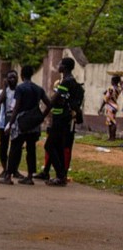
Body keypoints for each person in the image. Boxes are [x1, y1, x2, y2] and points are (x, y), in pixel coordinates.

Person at [40, 57, 84, 186]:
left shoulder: (66, 82)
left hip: (62, 119)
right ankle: (61, 175)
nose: (58, 65)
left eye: (59, 64)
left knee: (48, 145)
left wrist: (42, 115)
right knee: (58, 147)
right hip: (63, 118)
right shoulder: (71, 81)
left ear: (64, 67)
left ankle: (60, 176)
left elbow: (54, 100)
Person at [2, 65, 50, 185]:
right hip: (33, 123)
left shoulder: (20, 88)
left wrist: (10, 123)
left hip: (21, 122)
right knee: (31, 149)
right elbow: (49, 104)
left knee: (15, 148)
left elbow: (17, 107)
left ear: (22, 75)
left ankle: (8, 176)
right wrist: (41, 116)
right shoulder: (39, 89)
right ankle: (29, 176)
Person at [0, 70, 19, 179]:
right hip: (4, 122)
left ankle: (14, 169)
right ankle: (5, 169)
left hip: (16, 123)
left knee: (16, 147)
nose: (12, 80)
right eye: (10, 78)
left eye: (14, 77)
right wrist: (5, 87)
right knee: (3, 147)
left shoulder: (19, 90)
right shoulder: (3, 91)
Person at [103, 75, 121, 141]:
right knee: (111, 122)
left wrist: (100, 108)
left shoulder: (111, 89)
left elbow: (106, 99)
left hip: (110, 106)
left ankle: (112, 137)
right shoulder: (118, 88)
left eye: (112, 80)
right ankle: (111, 137)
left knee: (112, 122)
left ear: (113, 81)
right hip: (115, 106)